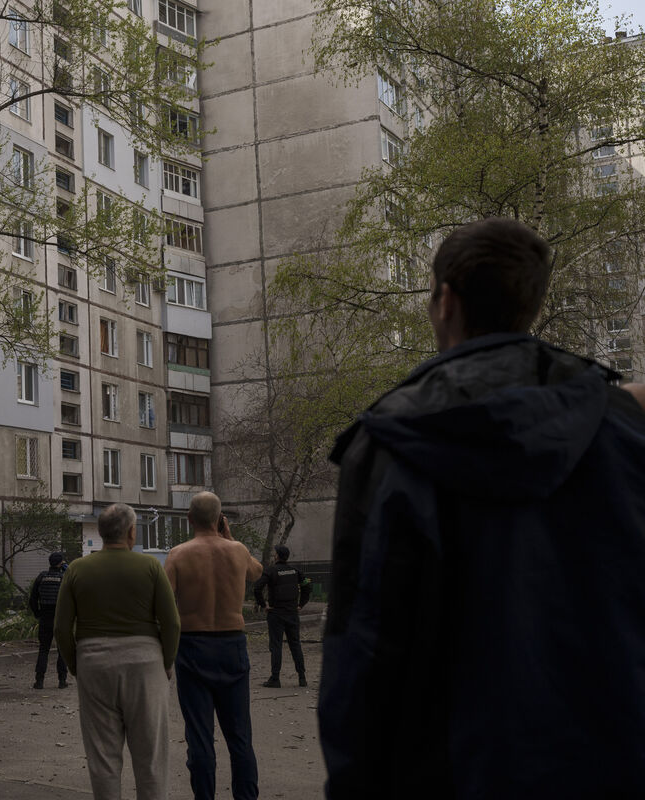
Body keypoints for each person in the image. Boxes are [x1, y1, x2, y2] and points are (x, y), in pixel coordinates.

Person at [320, 218, 645, 799]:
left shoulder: (391, 443)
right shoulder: (621, 427)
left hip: (451, 771)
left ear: (445, 301)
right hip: (610, 760)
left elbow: (365, 644)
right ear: (531, 304)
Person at [54, 504, 180, 800]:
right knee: (150, 756)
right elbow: (172, 623)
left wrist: (75, 665)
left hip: (94, 662)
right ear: (132, 532)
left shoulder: (77, 569)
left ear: (101, 533)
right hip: (145, 663)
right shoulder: (150, 567)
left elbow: (61, 628)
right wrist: (167, 661)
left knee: (103, 757)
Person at [164, 491, 265, 800]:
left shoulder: (178, 555)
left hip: (193, 646)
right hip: (232, 644)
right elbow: (256, 572)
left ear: (189, 519)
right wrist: (229, 538)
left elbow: (164, 606)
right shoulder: (238, 551)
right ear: (221, 519)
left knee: (199, 737)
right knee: (240, 737)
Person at [253, 544, 311, 688]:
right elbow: (307, 585)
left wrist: (263, 605)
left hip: (276, 614)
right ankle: (302, 678)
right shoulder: (296, 571)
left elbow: (257, 588)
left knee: (276, 646)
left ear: (277, 556)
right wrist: (301, 604)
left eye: (275, 553)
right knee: (295, 644)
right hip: (292, 614)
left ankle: (275, 679)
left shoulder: (271, 571)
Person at [29, 551, 68, 689]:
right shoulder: (64, 578)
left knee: (43, 649)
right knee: (62, 650)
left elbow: (33, 599)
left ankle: (39, 681)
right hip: (61, 617)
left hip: (45, 616)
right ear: (61, 563)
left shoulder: (42, 576)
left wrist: (38, 613)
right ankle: (62, 681)